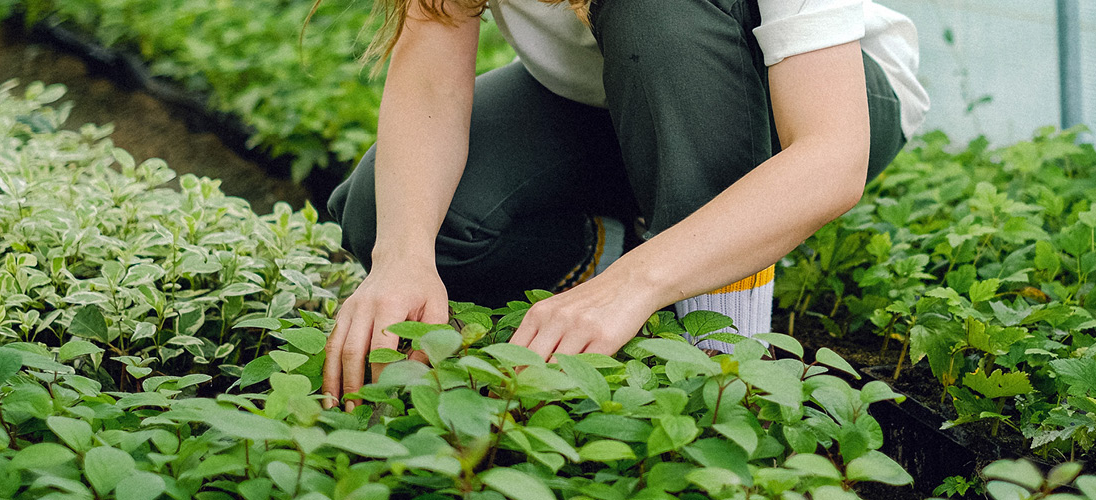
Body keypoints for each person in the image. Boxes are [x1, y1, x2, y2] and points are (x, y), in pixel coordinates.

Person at [321, 0, 929, 410]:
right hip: (600, 102)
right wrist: (401, 260)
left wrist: (634, 288)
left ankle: (728, 351)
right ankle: (634, 246)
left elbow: (832, 156)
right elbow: (430, 70)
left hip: (801, 102)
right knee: (385, 216)